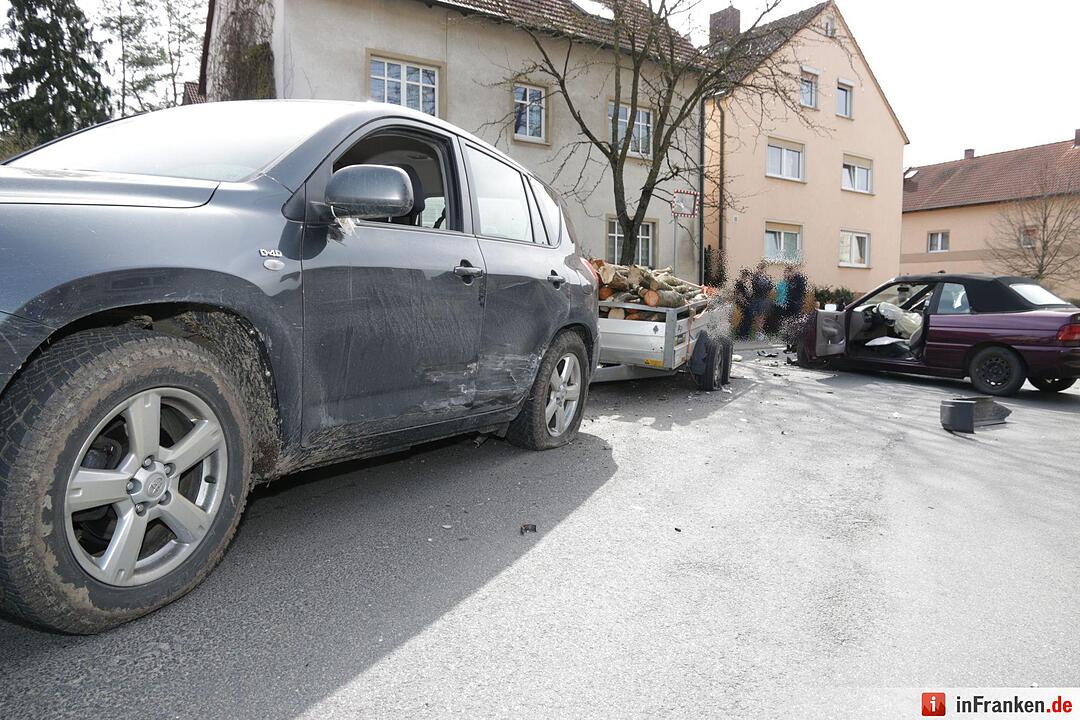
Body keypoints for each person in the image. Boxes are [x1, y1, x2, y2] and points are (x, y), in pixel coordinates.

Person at [750, 262, 773, 341]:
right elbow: (757, 287)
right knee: (758, 317)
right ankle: (758, 333)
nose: (761, 270)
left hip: (764, 299)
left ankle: (761, 332)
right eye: (760, 268)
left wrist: (766, 286)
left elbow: (770, 286)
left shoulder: (766, 277)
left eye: (763, 268)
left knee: (762, 316)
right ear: (758, 268)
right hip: (757, 298)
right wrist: (765, 287)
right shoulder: (755, 277)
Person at [732, 268, 753, 338]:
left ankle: (744, 333)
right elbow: (738, 295)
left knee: (749, 317)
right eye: (747, 276)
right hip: (742, 304)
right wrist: (745, 303)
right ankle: (742, 334)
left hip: (746, 303)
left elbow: (749, 294)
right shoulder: (739, 284)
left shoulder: (746, 284)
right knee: (747, 317)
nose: (748, 278)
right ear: (744, 276)